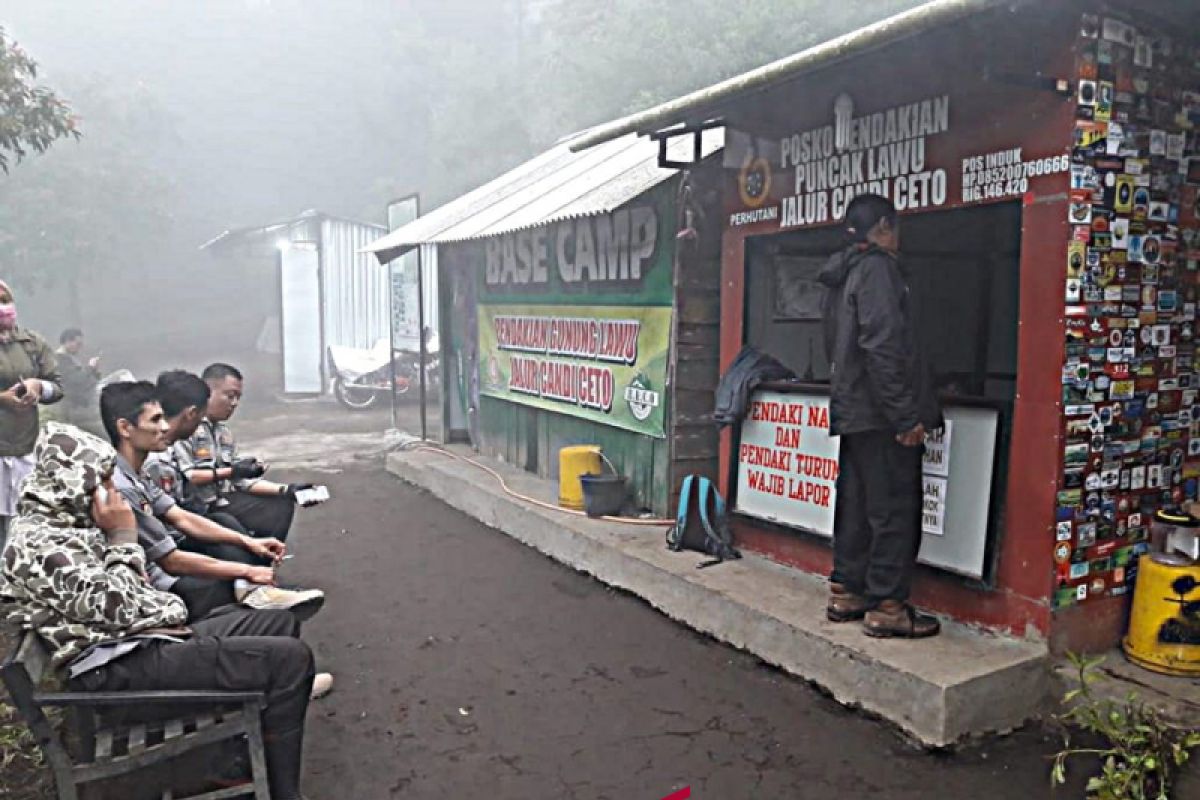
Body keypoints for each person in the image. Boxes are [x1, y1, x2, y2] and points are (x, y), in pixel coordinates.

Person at [0, 422, 317, 800]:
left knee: (276, 621)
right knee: (290, 661)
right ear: (71, 479)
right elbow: (122, 606)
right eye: (103, 481)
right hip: (120, 675)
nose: (112, 493)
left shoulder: (68, 524)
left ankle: (231, 759)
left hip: (139, 643)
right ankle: (282, 793)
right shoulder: (39, 544)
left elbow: (133, 601)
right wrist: (122, 537)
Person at [818, 193, 944, 639]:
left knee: (855, 504)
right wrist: (905, 415)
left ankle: (847, 591)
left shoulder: (844, 274)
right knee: (894, 508)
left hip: (854, 410)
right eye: (897, 227)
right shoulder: (879, 271)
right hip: (881, 413)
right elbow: (883, 345)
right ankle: (889, 607)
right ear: (886, 227)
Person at [101, 380, 325, 622]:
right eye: (155, 420)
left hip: (171, 556)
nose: (165, 427)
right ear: (125, 428)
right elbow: (171, 560)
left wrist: (249, 542)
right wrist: (246, 570)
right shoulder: (120, 487)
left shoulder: (138, 474)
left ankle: (257, 592)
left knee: (228, 534)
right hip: (153, 587)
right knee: (241, 602)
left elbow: (180, 516)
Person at [178, 363, 315, 539]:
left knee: (281, 505)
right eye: (230, 396)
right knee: (235, 535)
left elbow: (241, 481)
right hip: (192, 510)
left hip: (221, 502)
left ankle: (266, 560)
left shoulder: (224, 434)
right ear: (208, 392)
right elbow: (191, 476)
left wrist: (288, 489)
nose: (234, 403)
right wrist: (233, 471)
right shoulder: (187, 427)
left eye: (238, 398)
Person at [0, 279, 63, 549]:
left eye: (4, 301)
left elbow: (57, 385)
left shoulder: (32, 343)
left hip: (26, 447)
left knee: (27, 523)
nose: (2, 308)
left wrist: (38, 387)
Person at [53, 328, 103, 435]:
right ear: (68, 341)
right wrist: (90, 367)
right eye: (78, 343)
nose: (80, 347)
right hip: (74, 410)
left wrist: (95, 372)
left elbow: (87, 382)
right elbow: (76, 381)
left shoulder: (71, 359)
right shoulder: (60, 360)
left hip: (84, 407)